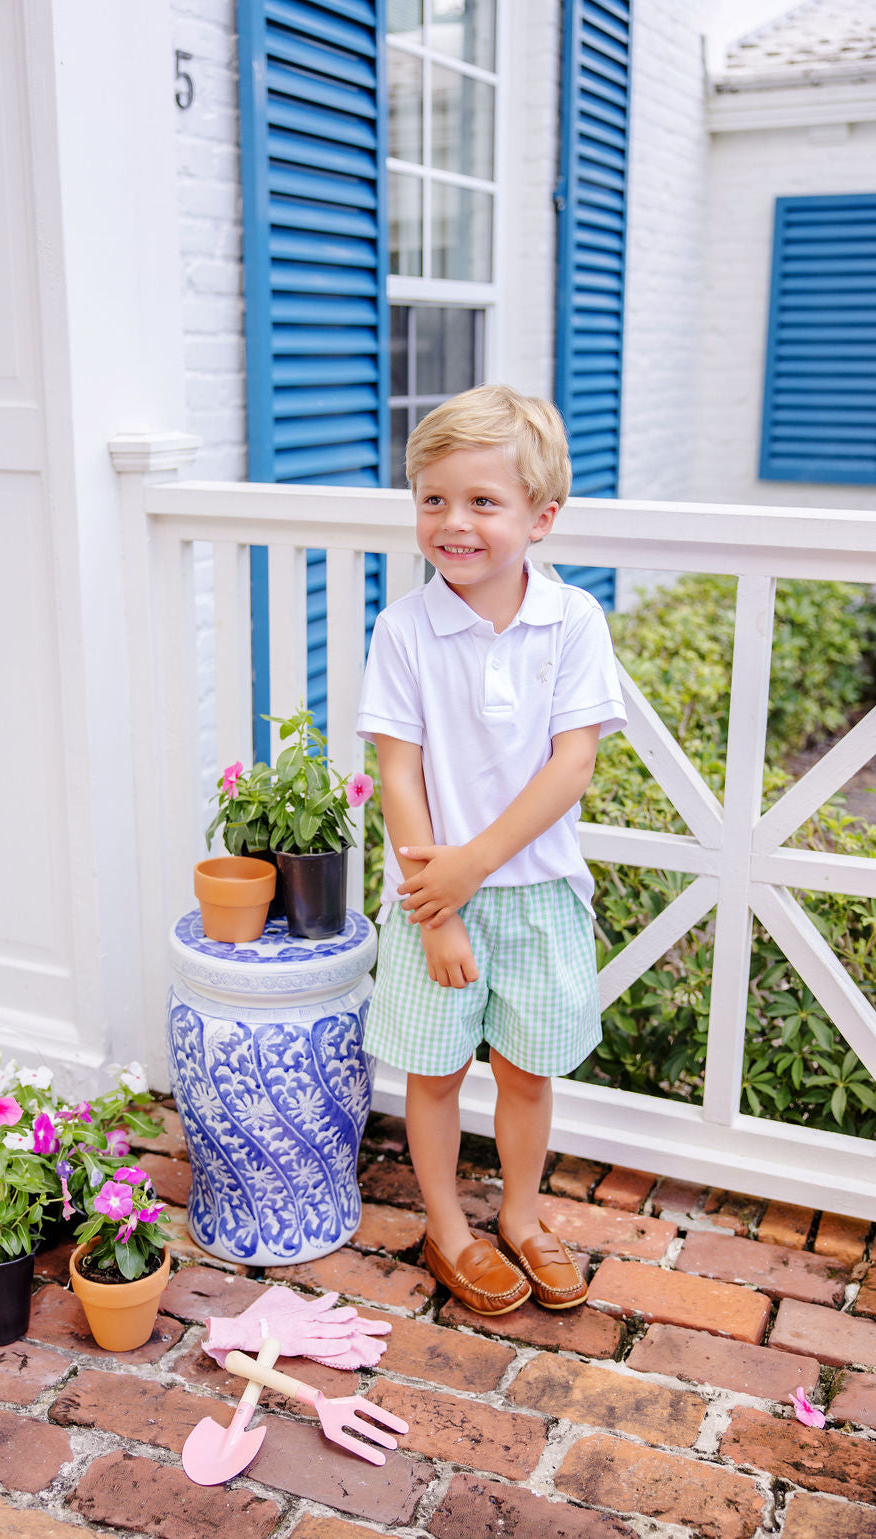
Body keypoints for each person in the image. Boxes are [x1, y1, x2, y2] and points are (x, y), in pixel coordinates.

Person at [356, 384, 626, 1317]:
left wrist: (481, 861)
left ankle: (518, 1212)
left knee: (525, 1068)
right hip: (437, 895)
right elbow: (400, 773)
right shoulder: (404, 630)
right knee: (433, 1073)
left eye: (482, 501)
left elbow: (572, 763)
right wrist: (441, 897)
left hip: (539, 894)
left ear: (541, 517)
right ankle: (447, 1227)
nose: (453, 522)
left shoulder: (573, 622)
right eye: (434, 499)